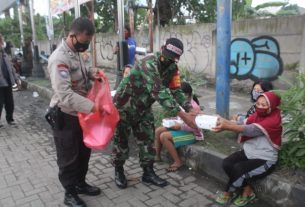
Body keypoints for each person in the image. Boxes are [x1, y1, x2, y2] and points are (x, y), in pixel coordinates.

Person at [112, 37, 198, 189]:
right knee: (121, 142)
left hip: (143, 108)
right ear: (163, 48)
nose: (169, 59)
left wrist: (190, 109)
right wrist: (184, 116)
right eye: (167, 55)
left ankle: (148, 173)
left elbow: (176, 90)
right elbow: (159, 91)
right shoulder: (149, 62)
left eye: (173, 58)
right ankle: (118, 170)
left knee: (147, 140)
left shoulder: (172, 67)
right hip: (124, 107)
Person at [47, 17, 101, 207]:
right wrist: (93, 107)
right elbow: (65, 95)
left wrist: (92, 73)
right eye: (84, 42)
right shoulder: (59, 59)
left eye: (88, 43)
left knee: (84, 151)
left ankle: (80, 183)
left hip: (81, 115)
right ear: (72, 36)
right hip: (66, 114)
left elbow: (83, 72)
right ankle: (69, 193)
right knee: (69, 155)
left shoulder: (77, 52)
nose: (85, 46)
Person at [212, 91, 282, 206]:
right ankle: (248, 189)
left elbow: (250, 130)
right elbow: (244, 121)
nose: (259, 107)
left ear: (272, 106)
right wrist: (222, 121)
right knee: (227, 163)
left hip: (265, 159)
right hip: (249, 152)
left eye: (264, 105)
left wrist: (226, 126)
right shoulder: (257, 115)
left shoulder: (273, 120)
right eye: (258, 104)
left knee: (239, 169)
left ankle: (228, 192)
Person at [154, 82, 204, 172]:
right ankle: (157, 156)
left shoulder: (194, 107)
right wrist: (170, 121)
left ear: (187, 94)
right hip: (182, 128)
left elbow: (195, 126)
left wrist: (180, 126)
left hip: (192, 134)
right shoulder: (182, 103)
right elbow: (180, 118)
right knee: (158, 130)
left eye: (179, 95)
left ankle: (178, 161)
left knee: (164, 136)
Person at [0, 33, 18, 128]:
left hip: (7, 82)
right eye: (1, 41)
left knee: (9, 102)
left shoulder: (4, 54)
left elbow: (11, 67)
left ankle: (10, 119)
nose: (2, 43)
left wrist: (15, 78)